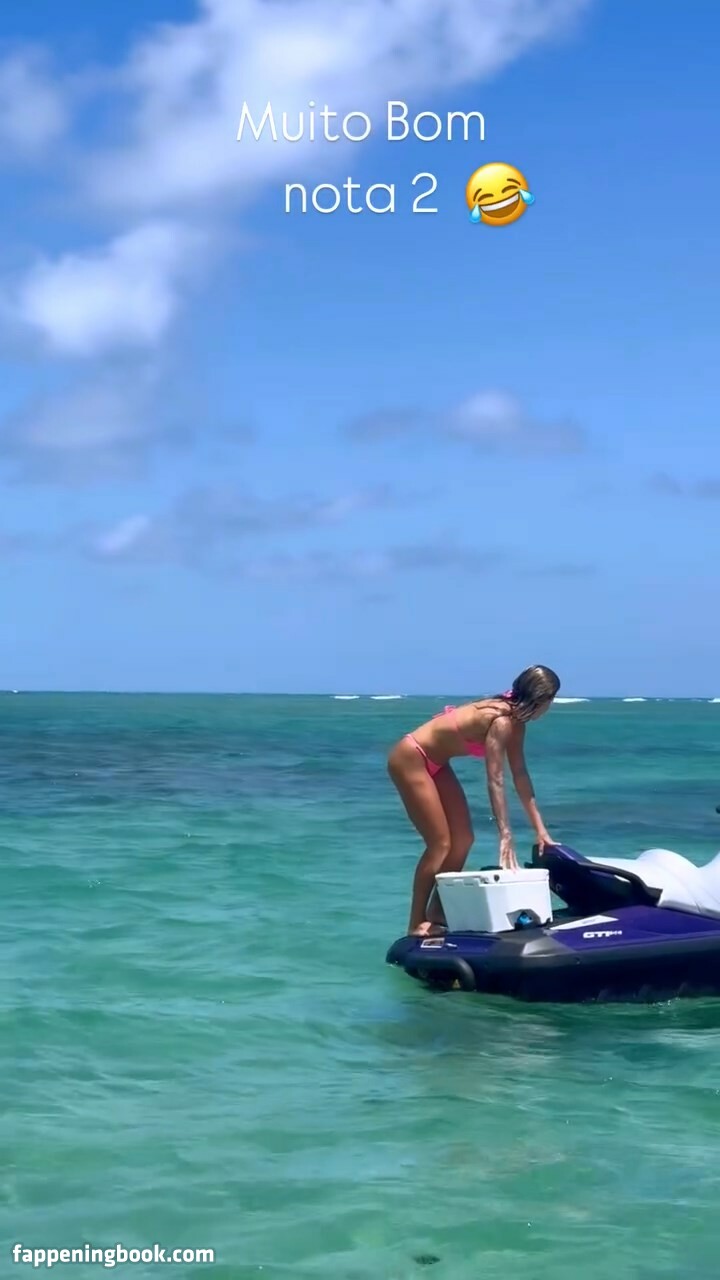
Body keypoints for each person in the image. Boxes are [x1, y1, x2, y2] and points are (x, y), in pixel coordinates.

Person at [387, 665, 560, 937]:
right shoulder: (500, 721)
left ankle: (437, 911)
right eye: (551, 700)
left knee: (464, 839)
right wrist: (505, 833)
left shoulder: (516, 724)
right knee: (440, 844)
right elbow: (495, 779)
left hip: (436, 763)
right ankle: (416, 922)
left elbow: (520, 775)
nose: (550, 707)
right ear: (540, 699)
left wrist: (541, 830)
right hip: (411, 757)